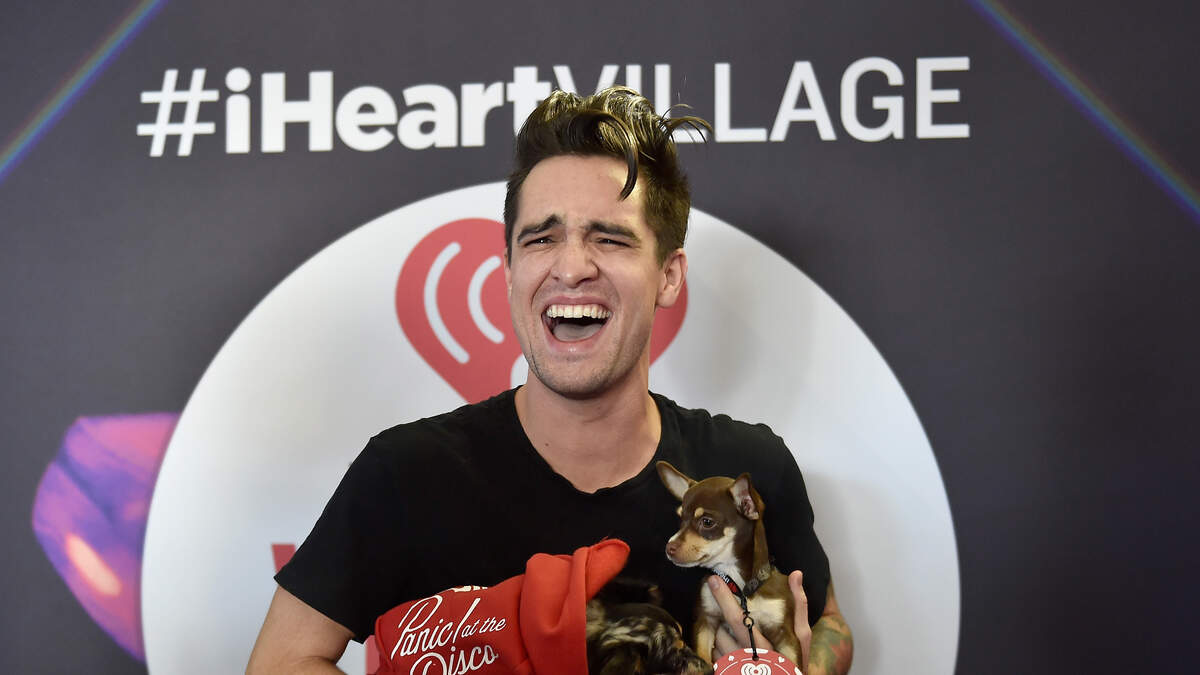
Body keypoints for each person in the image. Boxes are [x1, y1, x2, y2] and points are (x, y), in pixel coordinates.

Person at [247, 87, 853, 675]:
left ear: (668, 276)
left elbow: (827, 623)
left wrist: (795, 667)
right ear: (510, 270)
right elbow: (282, 660)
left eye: (609, 238)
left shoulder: (751, 467)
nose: (571, 267)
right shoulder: (404, 473)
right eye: (541, 239)